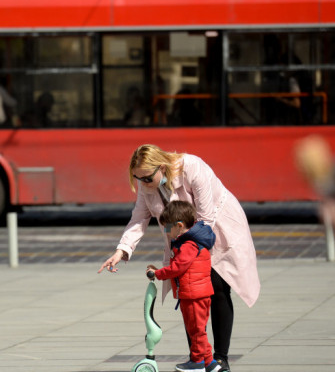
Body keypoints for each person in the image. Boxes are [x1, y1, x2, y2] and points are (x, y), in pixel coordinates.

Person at [98, 144, 260, 372]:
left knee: (218, 287)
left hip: (218, 229)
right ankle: (198, 359)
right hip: (182, 237)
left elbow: (206, 216)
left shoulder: (192, 167)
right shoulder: (147, 186)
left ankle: (220, 358)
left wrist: (188, 251)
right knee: (188, 293)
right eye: (137, 178)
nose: (142, 184)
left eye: (146, 178)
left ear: (161, 168)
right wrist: (121, 250)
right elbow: (138, 220)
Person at [146, 200, 221, 372]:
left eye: (167, 228)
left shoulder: (188, 245)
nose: (166, 232)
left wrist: (157, 274)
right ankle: (210, 363)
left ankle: (197, 362)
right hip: (195, 293)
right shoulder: (191, 242)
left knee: (196, 331)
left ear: (179, 226)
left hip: (194, 295)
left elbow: (177, 268)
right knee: (198, 329)